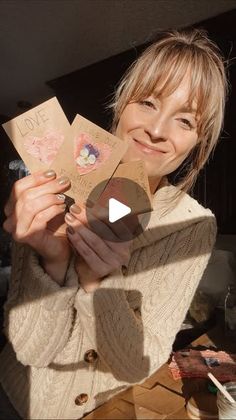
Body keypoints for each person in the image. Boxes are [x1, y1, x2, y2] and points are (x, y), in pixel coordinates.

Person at [0, 28, 227, 419]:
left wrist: (99, 282)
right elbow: (31, 351)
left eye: (185, 121)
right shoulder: (57, 177)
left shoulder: (193, 228)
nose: (157, 130)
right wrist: (52, 262)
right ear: (122, 105)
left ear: (197, 143)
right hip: (22, 402)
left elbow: (137, 366)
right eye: (148, 102)